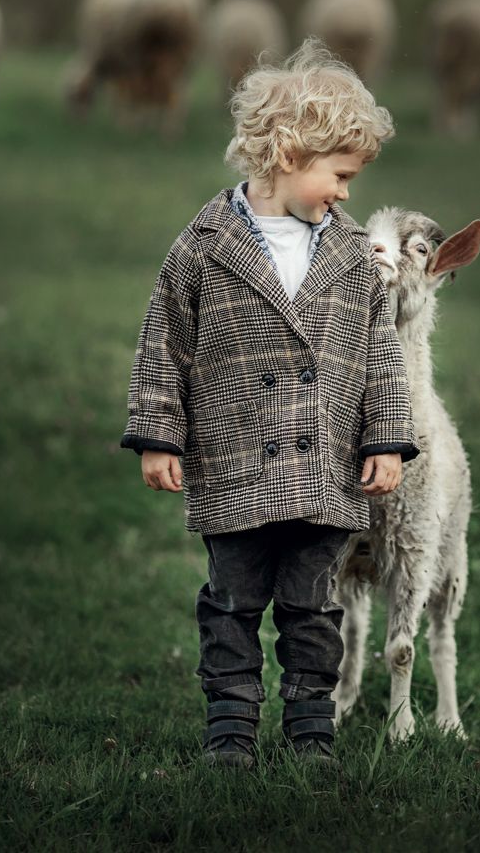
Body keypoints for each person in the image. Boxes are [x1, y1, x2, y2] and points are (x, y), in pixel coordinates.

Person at [120, 37, 420, 769]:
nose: (347, 193)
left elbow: (380, 357)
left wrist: (385, 438)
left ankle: (311, 733)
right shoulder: (203, 246)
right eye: (340, 174)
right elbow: (165, 341)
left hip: (323, 471)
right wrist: (160, 435)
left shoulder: (350, 259)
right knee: (230, 605)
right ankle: (230, 733)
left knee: (314, 610)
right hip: (234, 465)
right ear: (289, 153)